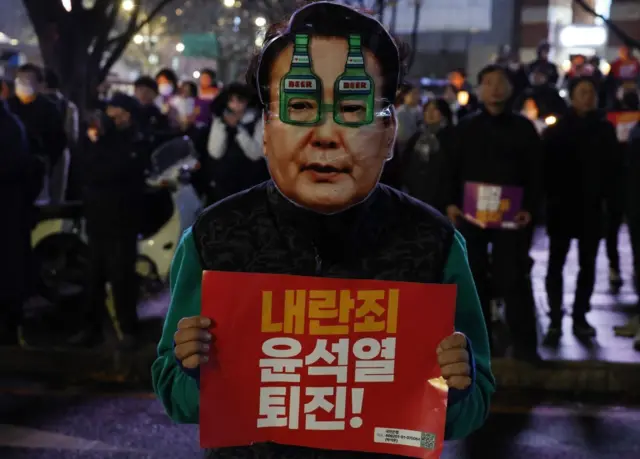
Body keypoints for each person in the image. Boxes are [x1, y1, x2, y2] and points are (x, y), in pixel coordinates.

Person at [152, 2, 495, 455]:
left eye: (353, 107)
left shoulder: (432, 243)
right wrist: (191, 369)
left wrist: (459, 384)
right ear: (268, 130)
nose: (326, 133)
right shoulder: (215, 238)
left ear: (389, 132)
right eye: (298, 104)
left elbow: (470, 407)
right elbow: (175, 396)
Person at [443, 64, 542, 361]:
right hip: (470, 216)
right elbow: (450, 168)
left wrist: (530, 208)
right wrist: (450, 203)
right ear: (479, 89)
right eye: (488, 82)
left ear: (511, 88)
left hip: (512, 218)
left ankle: (525, 346)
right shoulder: (466, 127)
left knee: (514, 276)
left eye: (501, 82)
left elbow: (537, 174)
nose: (495, 88)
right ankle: (478, 347)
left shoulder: (524, 128)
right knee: (473, 278)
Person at [542, 77, 621, 342]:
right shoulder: (558, 129)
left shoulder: (605, 129)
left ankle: (580, 316)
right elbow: (545, 168)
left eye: (592, 92)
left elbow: (614, 170)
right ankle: (554, 317)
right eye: (583, 92)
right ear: (573, 96)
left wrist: (612, 205)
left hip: (592, 208)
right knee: (556, 264)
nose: (588, 97)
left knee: (587, 265)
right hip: (562, 207)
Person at [71, 93, 148, 348]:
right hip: (96, 216)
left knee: (122, 276)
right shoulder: (98, 137)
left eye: (115, 110)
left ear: (126, 114)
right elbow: (83, 167)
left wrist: (100, 146)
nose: (110, 114)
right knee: (93, 275)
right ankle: (90, 327)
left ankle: (128, 329)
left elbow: (115, 170)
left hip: (122, 218)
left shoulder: (134, 139)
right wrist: (93, 142)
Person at [0, 99, 43, 345]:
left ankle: (10, 327)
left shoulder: (10, 127)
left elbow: (13, 165)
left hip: (8, 211)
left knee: (8, 270)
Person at [8, 63, 67, 202]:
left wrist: (44, 161)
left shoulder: (49, 110)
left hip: (36, 172)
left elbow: (58, 141)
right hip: (8, 173)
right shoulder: (8, 107)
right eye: (20, 80)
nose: (23, 84)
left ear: (40, 85)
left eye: (28, 80)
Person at [204, 82, 267, 204]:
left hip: (250, 181)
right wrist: (225, 127)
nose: (235, 105)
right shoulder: (220, 121)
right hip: (223, 183)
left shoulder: (257, 120)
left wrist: (238, 129)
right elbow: (215, 152)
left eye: (240, 100)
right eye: (231, 101)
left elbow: (256, 154)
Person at [402, 97, 454, 212]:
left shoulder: (451, 138)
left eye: (435, 110)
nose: (430, 113)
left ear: (444, 113)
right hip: (415, 196)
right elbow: (405, 163)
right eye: (427, 110)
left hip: (439, 200)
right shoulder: (417, 136)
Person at [43, 68, 78, 202]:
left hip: (40, 154)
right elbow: (72, 136)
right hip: (61, 155)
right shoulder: (69, 106)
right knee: (57, 196)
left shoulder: (35, 104)